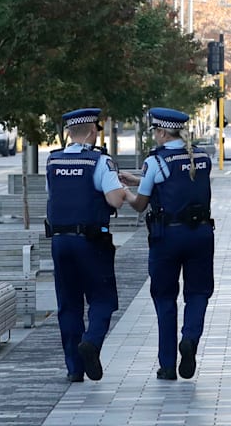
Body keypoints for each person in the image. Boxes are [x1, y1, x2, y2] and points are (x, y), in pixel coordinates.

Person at [122, 107, 215, 381]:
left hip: (167, 237)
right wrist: (141, 181)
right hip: (201, 234)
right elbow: (180, 183)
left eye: (156, 132)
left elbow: (141, 204)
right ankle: (190, 338)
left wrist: (128, 191)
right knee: (198, 293)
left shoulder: (156, 161)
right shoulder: (201, 156)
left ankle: (167, 365)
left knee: (165, 298)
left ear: (162, 131)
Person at [47, 107, 136, 383]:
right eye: (96, 129)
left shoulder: (53, 161)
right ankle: (92, 343)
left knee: (69, 304)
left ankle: (74, 368)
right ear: (91, 131)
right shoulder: (100, 162)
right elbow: (114, 200)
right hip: (92, 242)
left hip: (60, 242)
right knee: (102, 299)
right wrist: (123, 189)